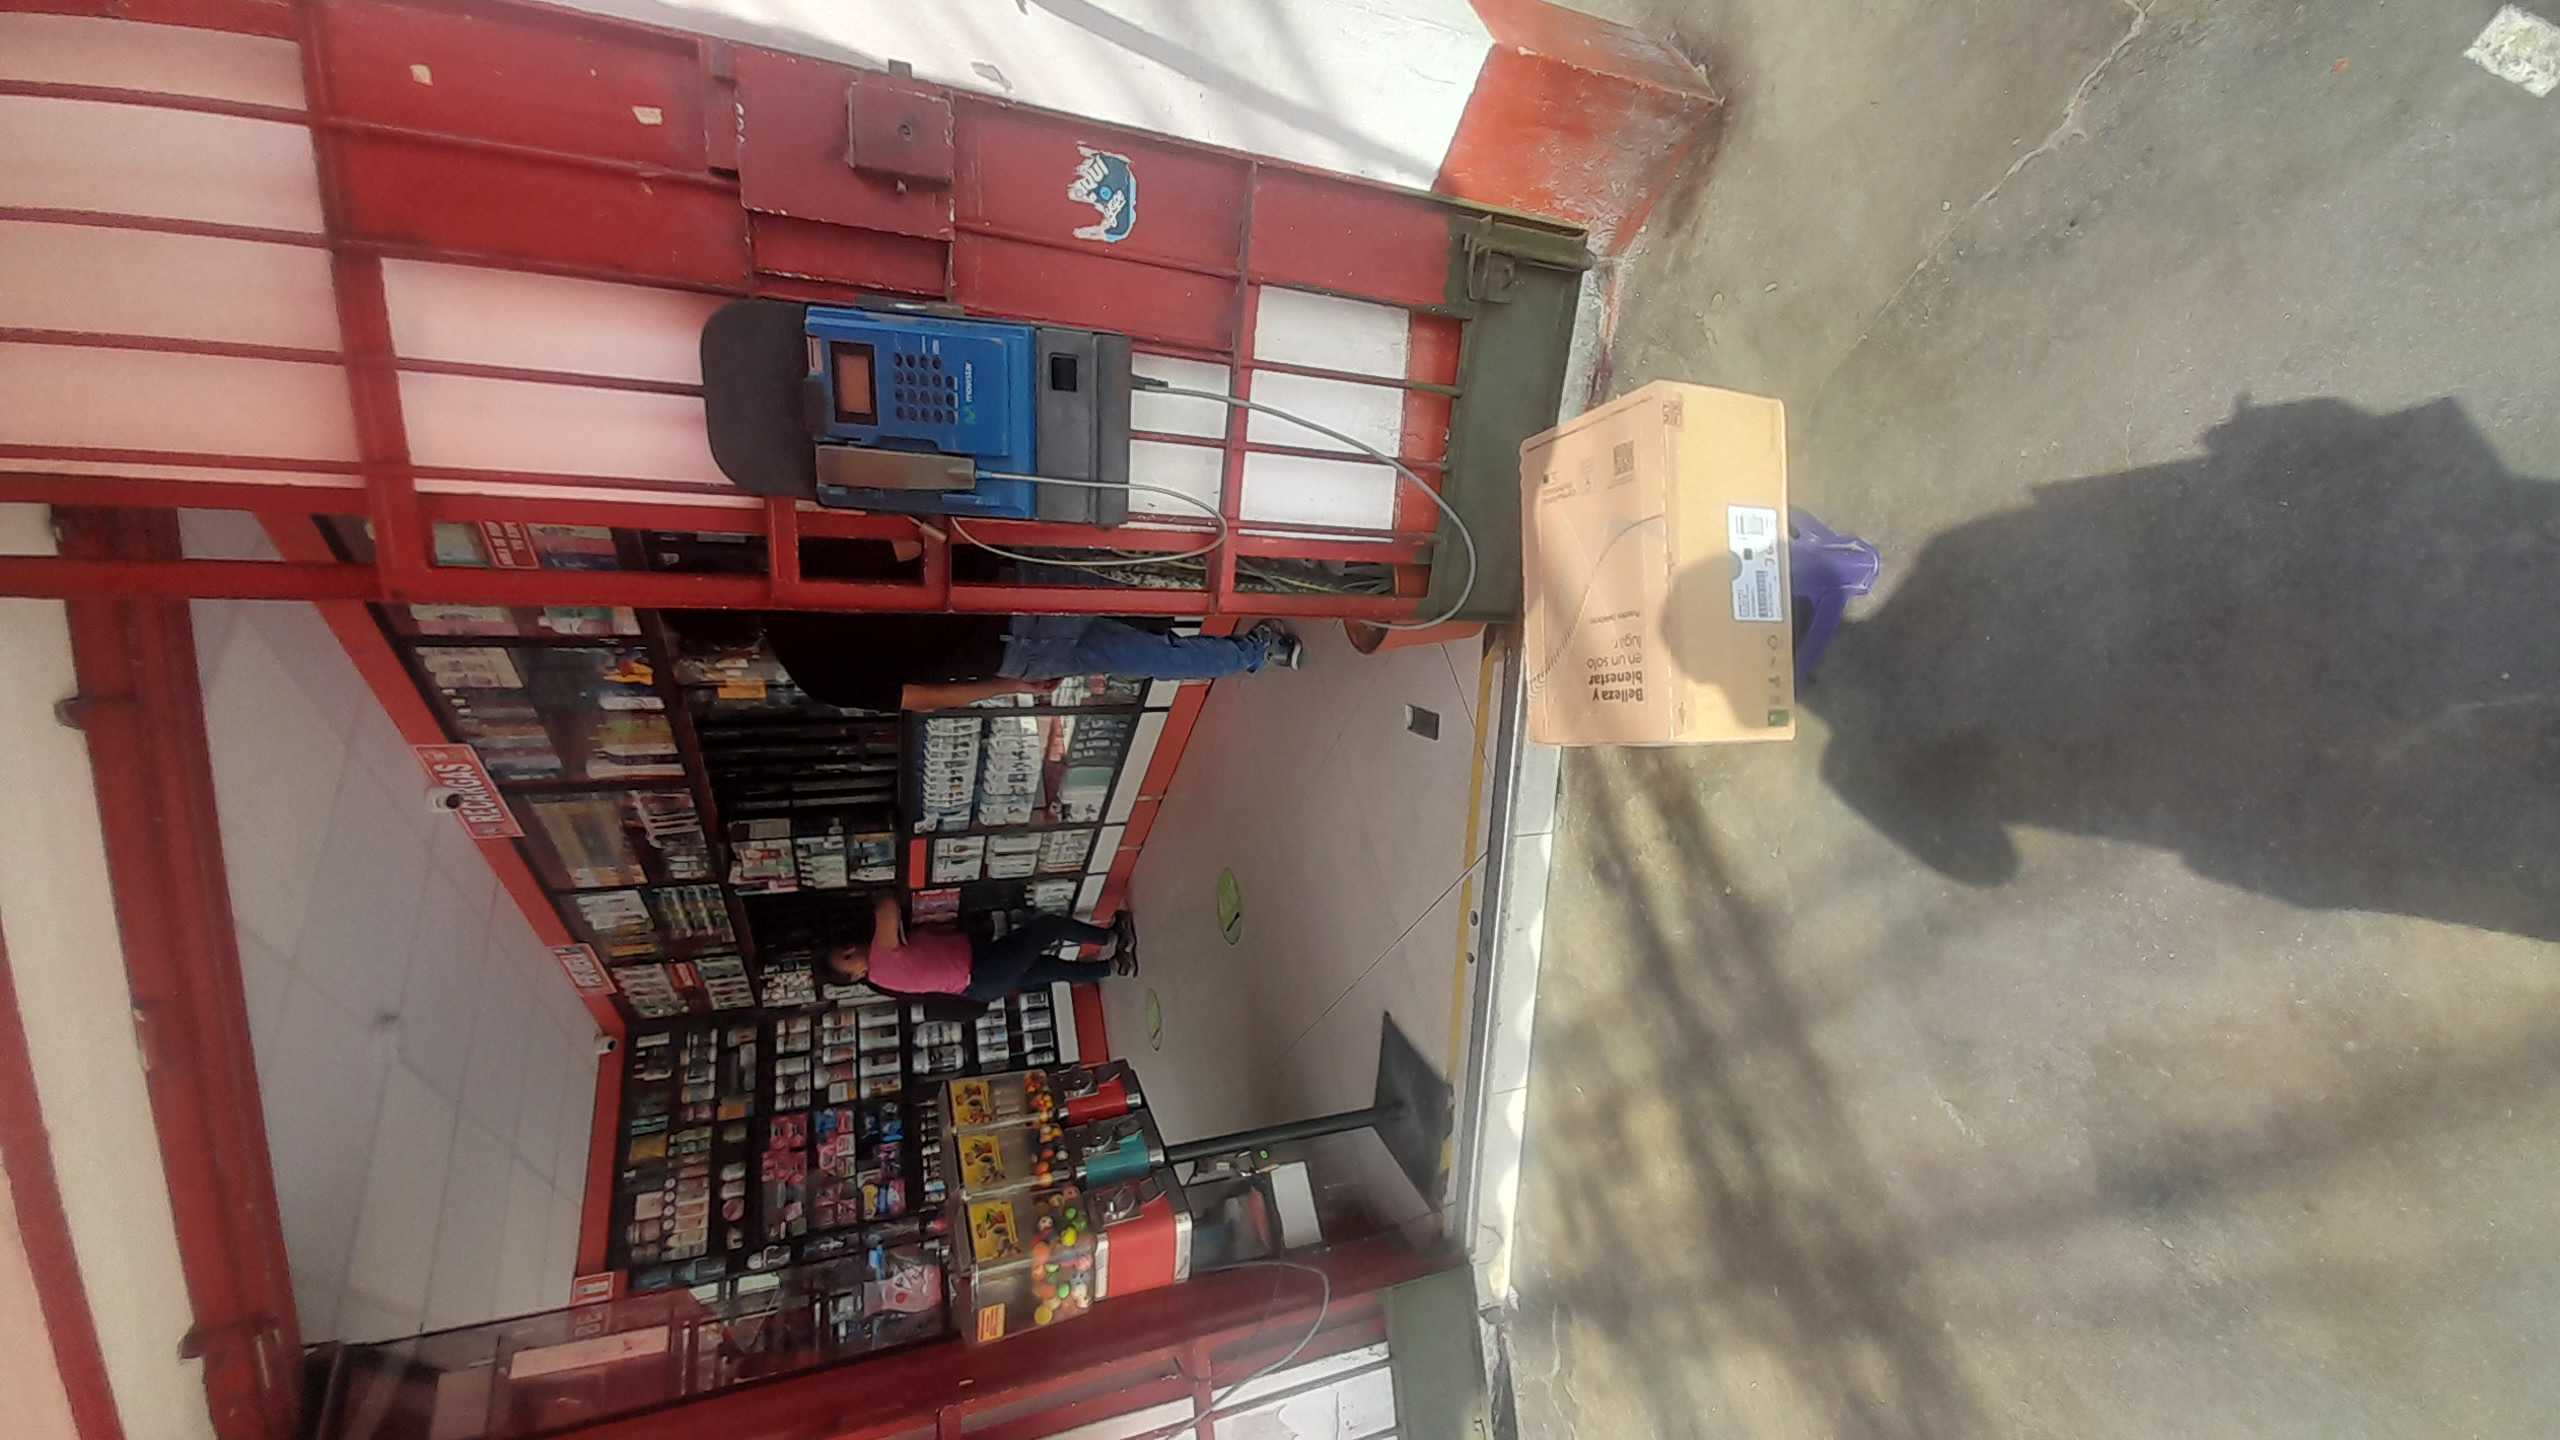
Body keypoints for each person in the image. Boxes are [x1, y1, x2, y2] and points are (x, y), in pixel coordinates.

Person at [757, 611, 1302, 712]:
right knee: (1146, 580)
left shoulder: (814, 672)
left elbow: (924, 697)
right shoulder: (805, 554)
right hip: (1002, 575)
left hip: (1010, 647)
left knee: (1150, 656)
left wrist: (1008, 685)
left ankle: (1258, 650)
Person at [829, 892, 1136, 1004]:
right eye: (847, 958)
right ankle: (1111, 938)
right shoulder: (879, 959)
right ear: (855, 976)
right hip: (983, 969)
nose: (852, 950)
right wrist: (869, 899)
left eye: (845, 948)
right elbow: (886, 903)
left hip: (980, 981)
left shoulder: (883, 978)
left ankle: (1115, 966)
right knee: (1048, 927)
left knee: (1049, 968)